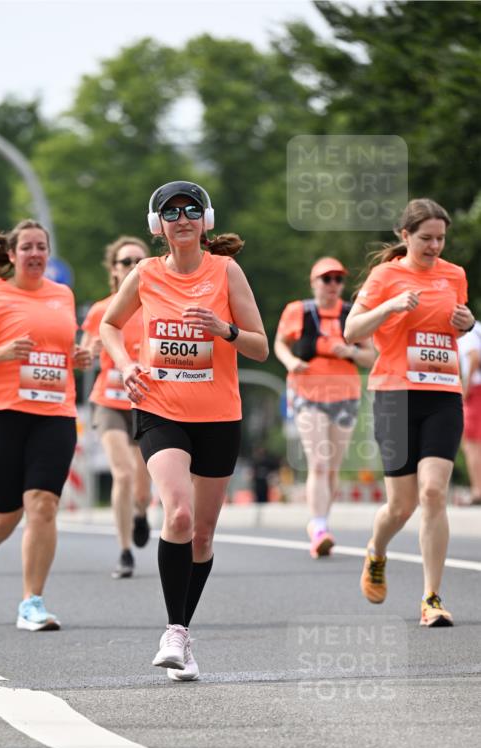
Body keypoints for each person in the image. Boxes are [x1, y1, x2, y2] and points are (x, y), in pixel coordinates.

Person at [100, 180, 269, 680]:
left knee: (202, 535)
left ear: (205, 220)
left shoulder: (226, 271)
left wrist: (224, 330)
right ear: (158, 226)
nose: (182, 219)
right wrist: (125, 364)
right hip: (160, 409)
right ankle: (174, 631)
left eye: (191, 210)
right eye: (171, 213)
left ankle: (184, 633)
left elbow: (260, 347)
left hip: (218, 416)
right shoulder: (146, 273)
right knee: (177, 514)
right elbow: (110, 325)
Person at [0, 219, 92, 630]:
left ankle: (32, 602)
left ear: (48, 254)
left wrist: (76, 357)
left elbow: (57, 349)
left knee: (43, 504)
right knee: (4, 515)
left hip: (55, 413)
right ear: (11, 255)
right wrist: (3, 352)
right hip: (1, 413)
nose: (35, 254)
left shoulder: (62, 295)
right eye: (27, 247)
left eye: (41, 247)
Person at [344, 199, 475, 627]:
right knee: (400, 506)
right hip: (394, 395)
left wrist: (466, 322)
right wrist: (390, 307)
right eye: (426, 238)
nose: (434, 246)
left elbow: (455, 328)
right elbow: (352, 329)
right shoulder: (385, 276)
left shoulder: (455, 275)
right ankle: (376, 550)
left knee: (433, 492)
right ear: (405, 236)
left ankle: (431, 598)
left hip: (442, 394)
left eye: (440, 238)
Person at [275, 257, 375, 557]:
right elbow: (280, 343)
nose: (333, 284)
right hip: (307, 393)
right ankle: (318, 527)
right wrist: (291, 361)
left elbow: (372, 357)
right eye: (326, 278)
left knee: (332, 466)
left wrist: (350, 352)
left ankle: (321, 522)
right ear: (314, 282)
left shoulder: (352, 314)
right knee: (318, 461)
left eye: (338, 279)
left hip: (345, 394)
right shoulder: (298, 311)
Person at [80, 236, 152, 579]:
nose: (132, 267)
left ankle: (141, 512)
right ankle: (124, 551)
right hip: (108, 401)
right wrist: (89, 352)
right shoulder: (101, 310)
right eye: (126, 262)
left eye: (139, 261)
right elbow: (83, 355)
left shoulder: (157, 306)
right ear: (114, 270)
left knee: (142, 486)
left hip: (146, 400)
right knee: (122, 473)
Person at [458, 321, 481, 504]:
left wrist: (465, 389)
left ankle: (477, 490)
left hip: (476, 389)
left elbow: (473, 357)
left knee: (471, 443)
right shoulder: (478, 327)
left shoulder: (467, 330)